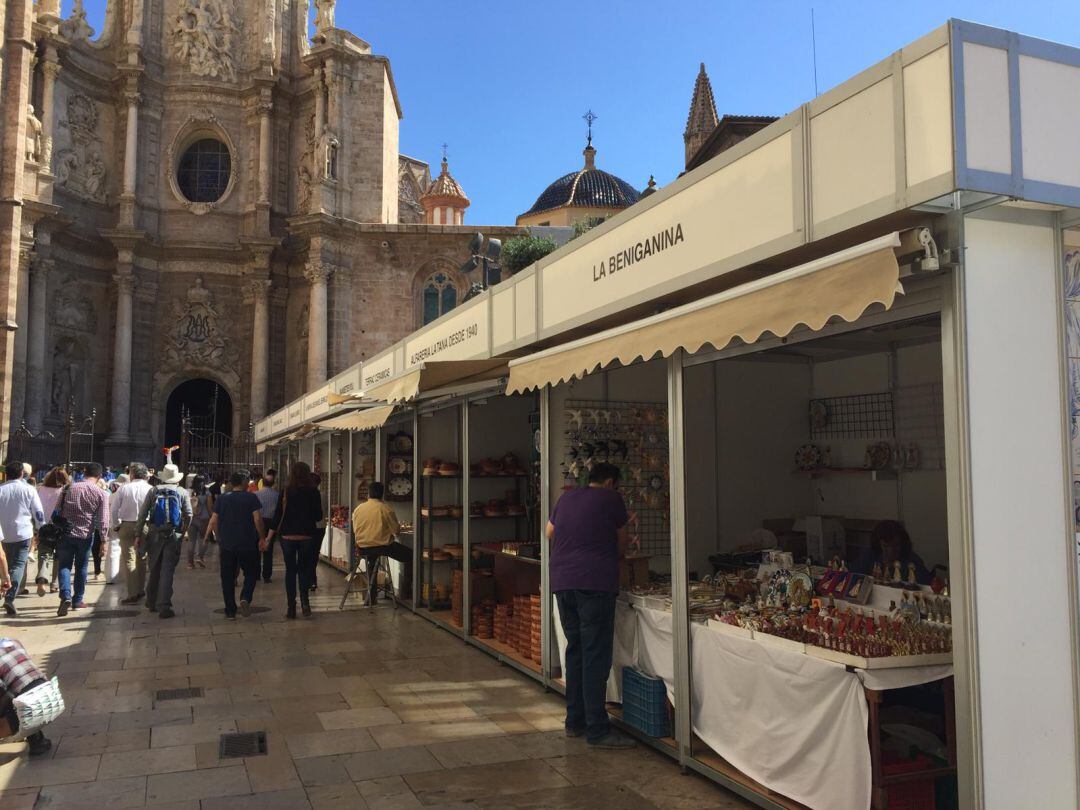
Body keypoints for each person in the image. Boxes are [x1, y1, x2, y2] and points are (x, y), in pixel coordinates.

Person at [546, 462, 634, 749]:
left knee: (576, 651)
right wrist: (611, 553)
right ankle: (598, 729)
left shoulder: (567, 496)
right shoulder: (612, 498)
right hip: (594, 583)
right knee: (596, 655)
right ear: (610, 482)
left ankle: (575, 721)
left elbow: (549, 532)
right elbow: (622, 543)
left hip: (563, 582)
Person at [204, 470, 266, 619]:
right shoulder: (251, 498)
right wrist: (262, 537)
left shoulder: (222, 499)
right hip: (248, 543)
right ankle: (245, 596)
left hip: (227, 544)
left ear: (231, 484)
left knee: (227, 577)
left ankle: (230, 610)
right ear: (244, 483)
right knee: (251, 572)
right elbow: (257, 520)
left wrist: (213, 536)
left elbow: (213, 521)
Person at [134, 463, 192, 620]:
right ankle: (164, 605)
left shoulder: (153, 491)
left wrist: (138, 535)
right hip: (173, 535)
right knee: (167, 570)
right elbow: (188, 514)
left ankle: (151, 601)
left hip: (154, 534)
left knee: (154, 568)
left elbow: (142, 515)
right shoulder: (182, 492)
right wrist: (182, 531)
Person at [266, 461, 323, 619]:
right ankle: (305, 603)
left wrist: (268, 538)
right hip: (307, 536)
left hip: (287, 536)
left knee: (290, 570)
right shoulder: (313, 492)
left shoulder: (286, 491)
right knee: (304, 569)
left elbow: (277, 516)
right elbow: (318, 516)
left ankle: (291, 607)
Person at [55, 462, 110, 617]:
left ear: (84, 473)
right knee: (81, 567)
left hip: (66, 533)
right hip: (85, 535)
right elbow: (103, 520)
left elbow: (57, 507)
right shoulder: (101, 493)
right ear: (99, 476)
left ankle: (65, 595)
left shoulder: (68, 488)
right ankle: (77, 599)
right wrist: (104, 540)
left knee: (64, 566)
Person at [351, 482, 411, 605]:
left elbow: (355, 529)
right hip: (381, 547)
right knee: (411, 556)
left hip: (362, 548)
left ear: (368, 493)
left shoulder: (358, 509)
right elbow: (396, 531)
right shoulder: (385, 508)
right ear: (382, 494)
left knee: (372, 566)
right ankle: (408, 592)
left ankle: (371, 597)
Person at [0, 461, 44, 617]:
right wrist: (40, 527)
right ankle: (10, 596)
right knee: (18, 565)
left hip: (3, 533)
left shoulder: (1, 490)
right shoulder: (29, 489)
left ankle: (4, 587)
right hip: (23, 533)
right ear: (22, 473)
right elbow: (38, 512)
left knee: (4, 563)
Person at [0, 637, 53, 756]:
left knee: (11, 697)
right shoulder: (13, 641)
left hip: (28, 706)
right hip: (49, 697)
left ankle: (25, 734)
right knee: (20, 692)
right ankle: (38, 742)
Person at [113, 463, 154, 605]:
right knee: (142, 557)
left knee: (128, 558)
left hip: (126, 524)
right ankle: (140, 589)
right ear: (146, 475)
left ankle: (132, 593)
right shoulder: (151, 489)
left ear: (132, 474)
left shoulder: (124, 488)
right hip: (145, 525)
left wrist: (116, 524)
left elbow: (114, 509)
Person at [854, 520, 932, 585]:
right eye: (886, 546)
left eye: (896, 545)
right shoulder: (868, 556)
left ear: (902, 543)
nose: (891, 551)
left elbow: (927, 586)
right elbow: (854, 579)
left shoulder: (913, 561)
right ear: (878, 544)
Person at [35, 467, 69, 596]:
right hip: (59, 526)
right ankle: (54, 585)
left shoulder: (40, 489)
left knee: (44, 554)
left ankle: (42, 581)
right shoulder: (64, 491)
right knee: (59, 555)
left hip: (43, 526)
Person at [254, 469, 279, 583]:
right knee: (268, 549)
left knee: (257, 548)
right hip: (271, 523)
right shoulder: (277, 495)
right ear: (273, 483)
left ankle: (256, 573)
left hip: (258, 522)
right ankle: (267, 575)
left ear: (262, 483)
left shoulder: (255, 495)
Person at [186, 475, 213, 570]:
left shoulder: (189, 492)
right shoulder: (207, 493)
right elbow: (209, 508)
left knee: (191, 541)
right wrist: (212, 517)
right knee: (203, 539)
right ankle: (200, 558)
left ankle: (190, 563)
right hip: (204, 519)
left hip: (191, 519)